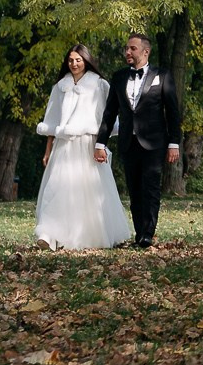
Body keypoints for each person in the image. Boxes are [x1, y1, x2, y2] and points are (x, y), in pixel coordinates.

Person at [33, 45, 133, 250]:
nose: (74, 64)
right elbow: (52, 121)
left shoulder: (99, 85)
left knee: (90, 191)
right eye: (70, 60)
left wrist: (101, 144)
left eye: (78, 60)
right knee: (57, 188)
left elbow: (107, 118)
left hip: (89, 144)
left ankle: (89, 234)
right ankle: (49, 234)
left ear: (86, 61)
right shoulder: (59, 87)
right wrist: (48, 150)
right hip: (64, 145)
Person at [94, 33, 181, 249]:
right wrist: (100, 143)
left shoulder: (163, 75)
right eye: (126, 48)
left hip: (154, 143)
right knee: (134, 190)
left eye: (132, 48)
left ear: (146, 51)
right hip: (128, 142)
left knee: (150, 187)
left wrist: (174, 142)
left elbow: (172, 112)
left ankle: (147, 235)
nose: (127, 52)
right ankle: (139, 234)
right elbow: (109, 112)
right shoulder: (119, 77)